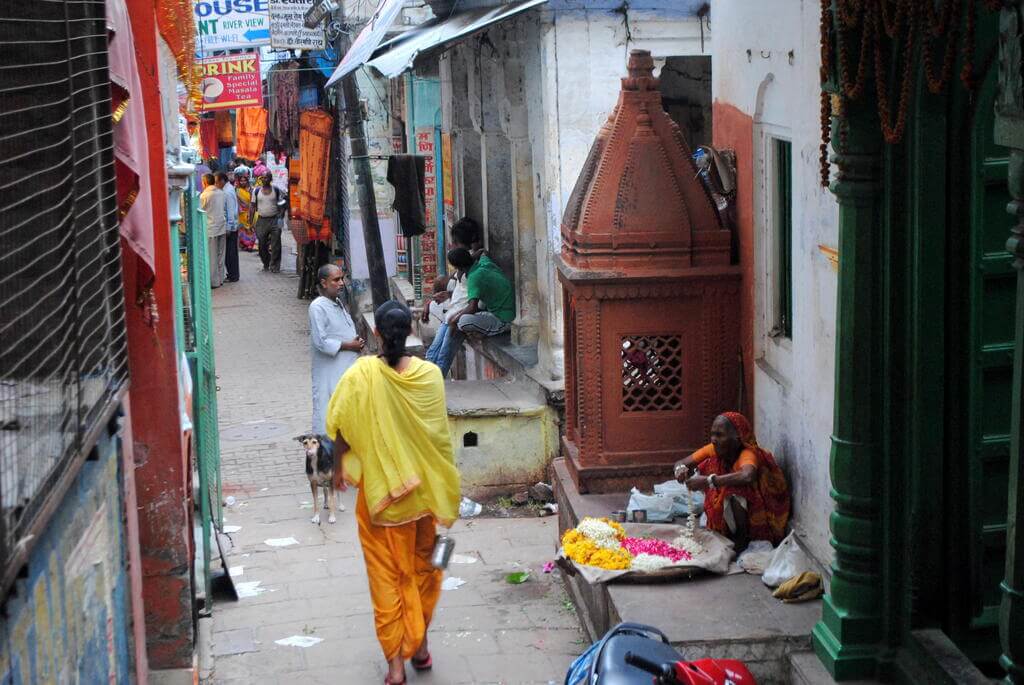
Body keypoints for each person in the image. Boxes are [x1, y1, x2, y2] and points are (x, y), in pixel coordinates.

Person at [326, 300, 461, 685]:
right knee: (426, 570)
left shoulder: (361, 374)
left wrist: (338, 470)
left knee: (387, 579)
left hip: (382, 499)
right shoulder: (430, 376)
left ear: (377, 334)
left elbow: (340, 430)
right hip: (425, 497)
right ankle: (419, 648)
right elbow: (438, 440)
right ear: (414, 330)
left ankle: (396, 667)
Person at [673, 412, 791, 552]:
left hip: (761, 511)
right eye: (713, 434)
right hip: (734, 507)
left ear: (737, 438)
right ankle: (726, 530)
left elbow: (747, 476)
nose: (714, 439)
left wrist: (709, 481)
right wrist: (680, 470)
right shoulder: (715, 448)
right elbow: (682, 462)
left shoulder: (747, 454)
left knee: (734, 491)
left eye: (720, 435)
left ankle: (741, 540)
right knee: (710, 466)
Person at [309, 264, 364, 438]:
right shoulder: (318, 307)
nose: (341, 283)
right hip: (329, 370)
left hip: (345, 367)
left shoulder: (338, 302)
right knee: (328, 408)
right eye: (336, 280)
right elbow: (321, 341)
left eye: (342, 279)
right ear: (324, 283)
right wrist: (349, 345)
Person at [250, 171, 284, 272]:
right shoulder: (256, 191)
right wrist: (251, 222)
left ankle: (275, 266)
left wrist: (281, 218)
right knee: (261, 245)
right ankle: (266, 262)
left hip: (274, 220)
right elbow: (252, 206)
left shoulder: (276, 190)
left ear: (270, 179)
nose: (264, 180)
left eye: (266, 178)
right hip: (261, 220)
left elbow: (282, 204)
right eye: (263, 178)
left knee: (276, 244)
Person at [199, 172, 227, 288]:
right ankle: (221, 278)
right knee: (221, 255)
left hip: (211, 228)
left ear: (204, 182)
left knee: (212, 256)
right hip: (221, 226)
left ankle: (214, 282)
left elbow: (200, 210)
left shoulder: (204, 196)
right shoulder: (221, 193)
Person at [220, 172, 240, 282]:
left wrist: (229, 226)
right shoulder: (228, 189)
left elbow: (231, 210)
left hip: (231, 228)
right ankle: (232, 274)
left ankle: (233, 275)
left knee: (230, 253)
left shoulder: (227, 192)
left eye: (217, 181)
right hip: (231, 226)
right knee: (230, 252)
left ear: (222, 181)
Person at [234, 170, 257, 252]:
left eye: (244, 180)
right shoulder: (237, 190)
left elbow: (253, 202)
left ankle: (250, 245)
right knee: (242, 230)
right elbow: (236, 202)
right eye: (241, 181)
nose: (243, 182)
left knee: (250, 229)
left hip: (250, 212)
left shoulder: (251, 190)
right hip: (241, 213)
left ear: (247, 181)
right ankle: (244, 244)